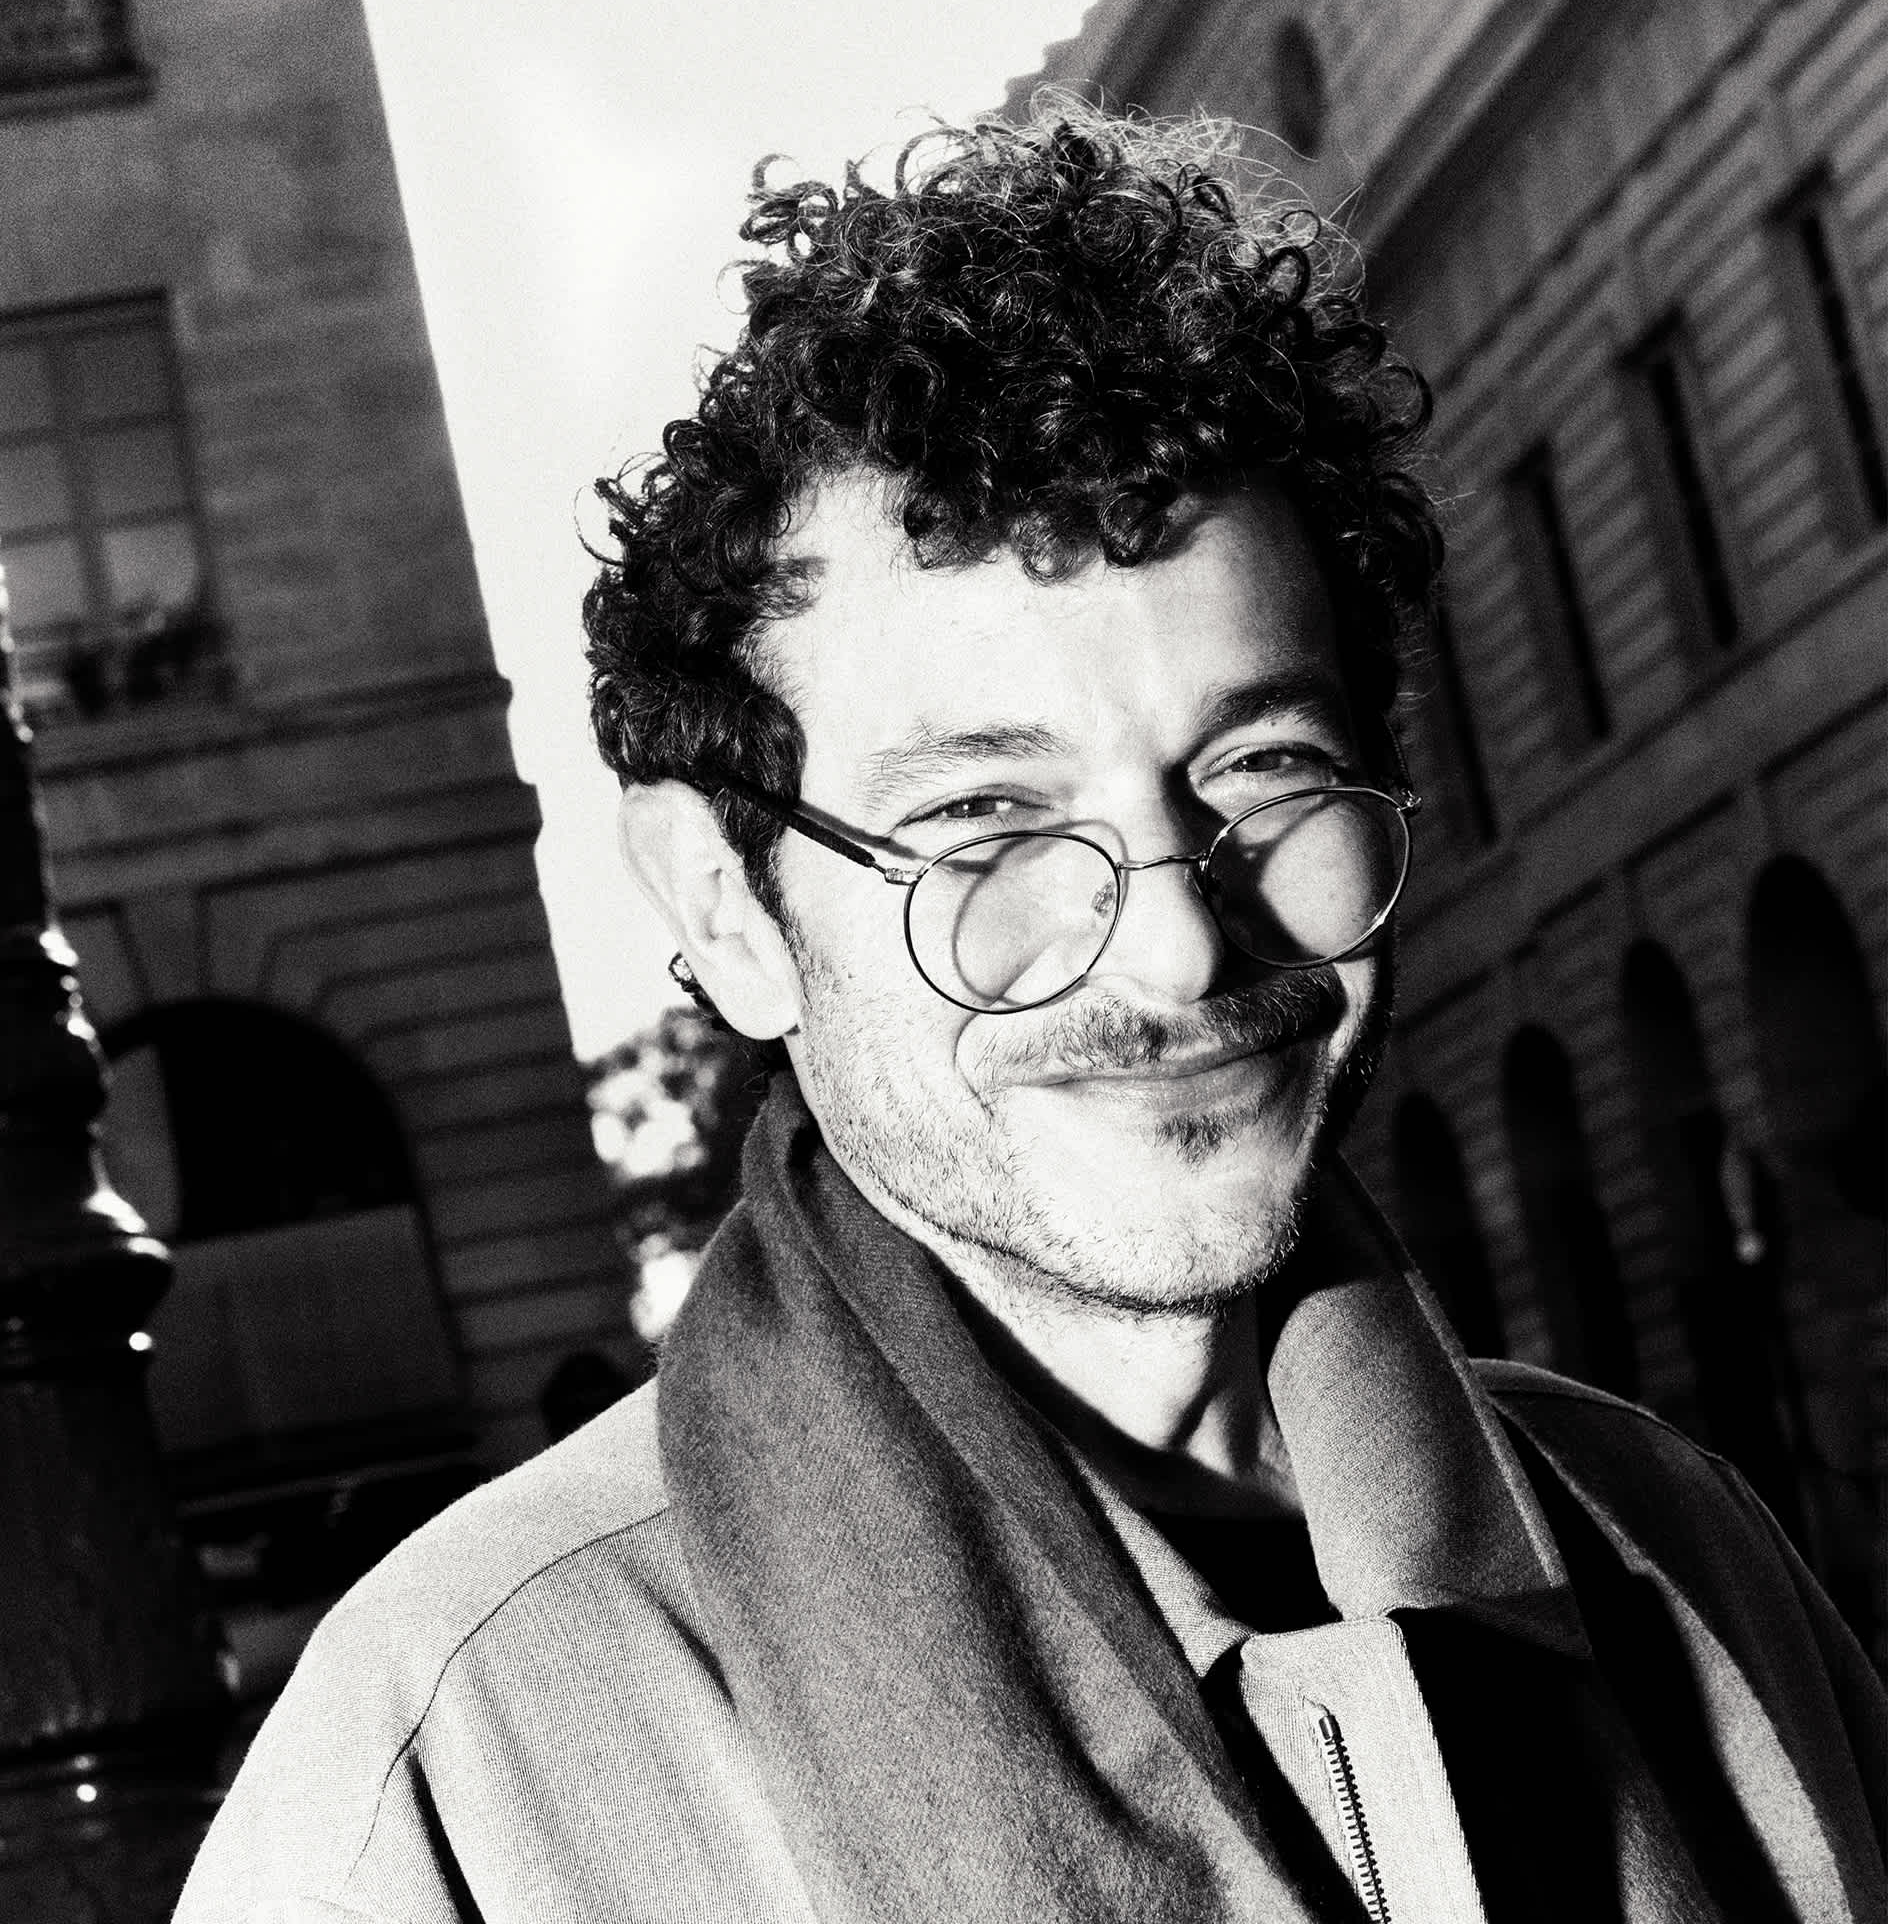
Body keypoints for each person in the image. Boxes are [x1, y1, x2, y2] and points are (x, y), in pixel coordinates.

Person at [177, 105, 1885, 1924]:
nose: (1177, 953)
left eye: (1263, 772)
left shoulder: (1679, 1547)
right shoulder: (465, 1763)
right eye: (988, 823)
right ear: (728, 910)